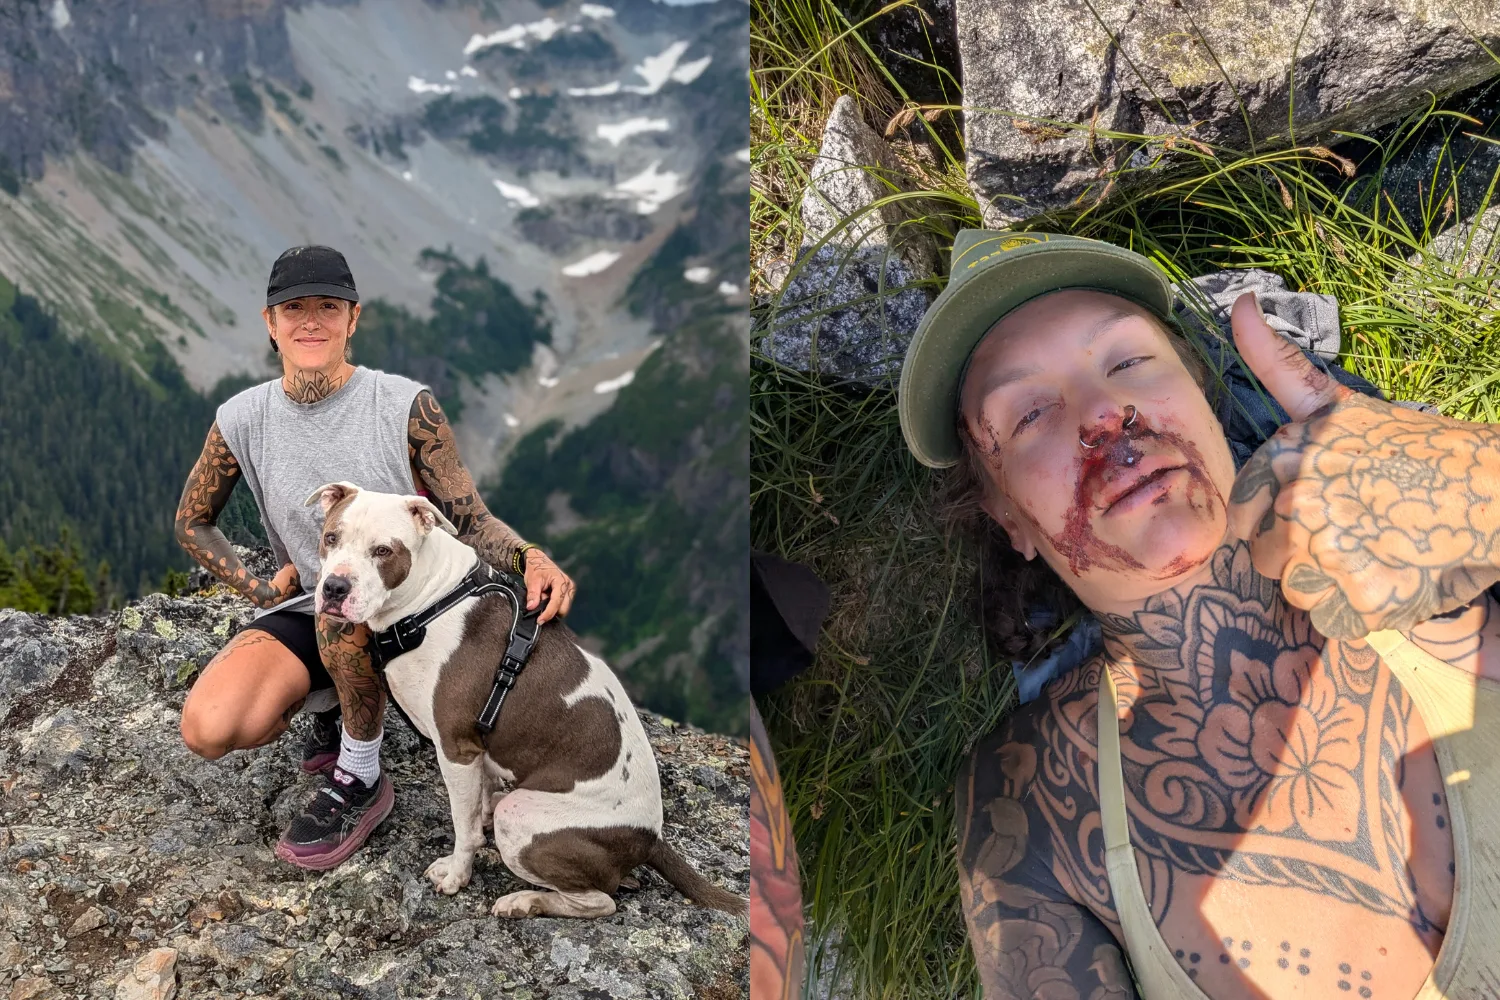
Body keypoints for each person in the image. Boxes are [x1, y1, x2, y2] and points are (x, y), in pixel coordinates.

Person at [897, 232, 1500, 999]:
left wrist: (1480, 481)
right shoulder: (1027, 801)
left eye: (1127, 363)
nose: (1105, 416)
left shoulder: (1440, 554)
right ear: (1005, 514)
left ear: (1204, 396)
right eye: (1031, 414)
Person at [173, 244, 577, 871]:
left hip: (419, 612)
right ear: (270, 322)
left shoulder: (404, 405)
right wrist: (258, 589)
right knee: (211, 727)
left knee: (344, 620)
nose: (311, 321)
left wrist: (531, 558)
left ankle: (360, 774)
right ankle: (340, 704)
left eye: (327, 307)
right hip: (328, 599)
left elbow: (467, 518)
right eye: (294, 308)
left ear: (352, 319)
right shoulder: (241, 418)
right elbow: (192, 522)